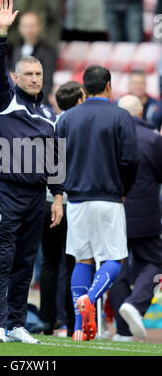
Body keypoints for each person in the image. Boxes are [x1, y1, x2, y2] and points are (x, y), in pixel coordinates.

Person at [0, 0, 64, 344]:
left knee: (25, 262)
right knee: (1, 258)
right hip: (3, 190)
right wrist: (1, 34)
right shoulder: (5, 99)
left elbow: (55, 161)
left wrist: (58, 197)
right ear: (17, 77)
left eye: (38, 74)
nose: (33, 78)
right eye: (27, 74)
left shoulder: (49, 116)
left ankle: (16, 323)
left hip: (35, 197)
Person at [57, 65, 138, 341]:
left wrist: (64, 190)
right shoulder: (121, 116)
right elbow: (130, 160)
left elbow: (56, 161)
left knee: (82, 259)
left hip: (77, 200)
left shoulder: (67, 118)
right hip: (109, 196)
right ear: (109, 86)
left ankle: (80, 329)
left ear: (84, 88)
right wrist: (124, 189)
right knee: (115, 258)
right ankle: (91, 298)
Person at [109, 95, 162, 341]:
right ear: (141, 111)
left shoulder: (109, 139)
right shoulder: (152, 139)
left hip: (114, 211)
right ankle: (136, 303)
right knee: (155, 262)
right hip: (146, 215)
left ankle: (122, 330)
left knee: (117, 267)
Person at [40, 81, 86, 338]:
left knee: (48, 261)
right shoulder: (80, 124)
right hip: (73, 201)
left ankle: (47, 321)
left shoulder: (51, 125)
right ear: (80, 100)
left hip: (48, 199)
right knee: (72, 262)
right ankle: (70, 321)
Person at [9, 12, 57, 105]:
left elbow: (47, 83)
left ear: (39, 27)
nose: (29, 30)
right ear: (19, 28)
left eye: (32, 26)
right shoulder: (15, 48)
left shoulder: (47, 52)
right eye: (25, 26)